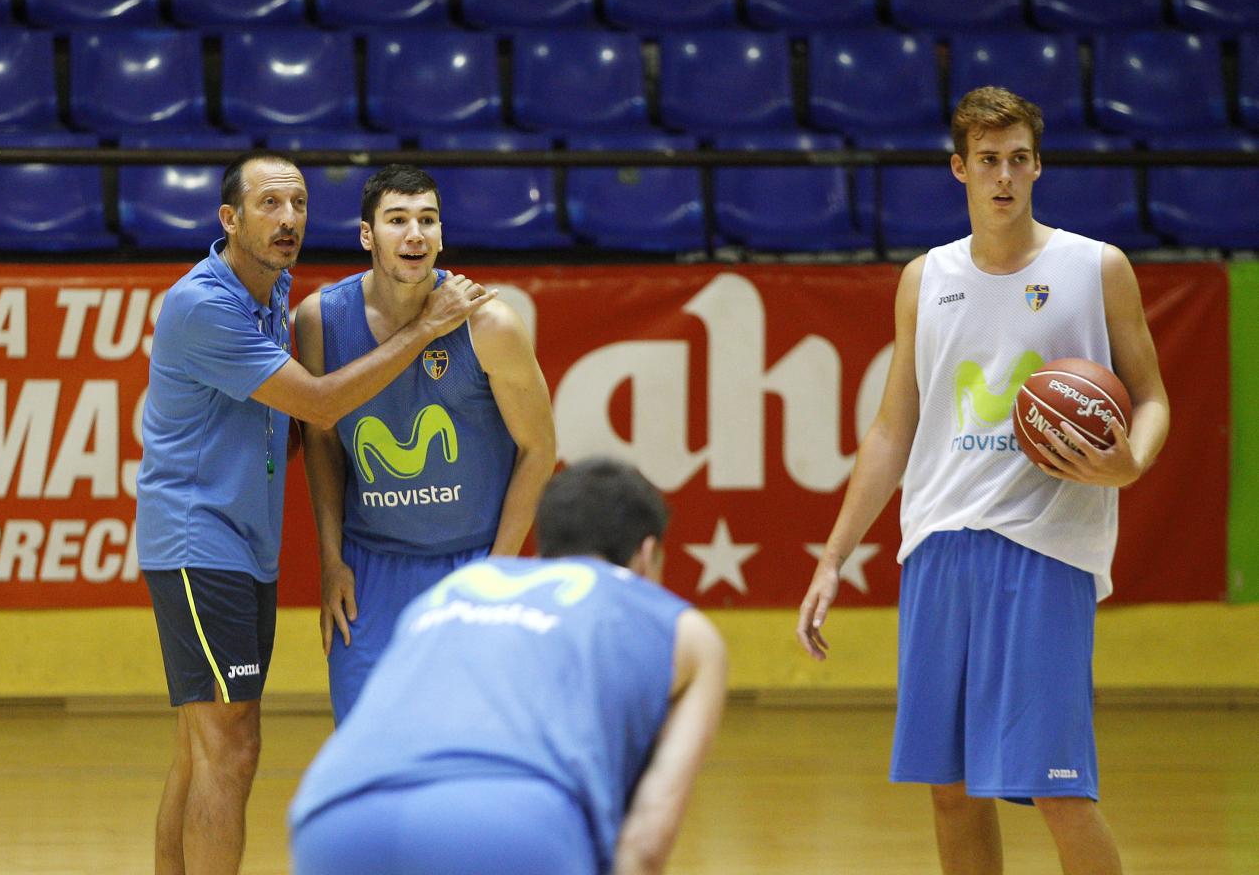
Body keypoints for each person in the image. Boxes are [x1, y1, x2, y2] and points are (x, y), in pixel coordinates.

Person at [796, 87, 1170, 875]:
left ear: (1038, 167)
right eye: (989, 161)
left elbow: (1153, 399)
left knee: (1060, 791)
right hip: (938, 545)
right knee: (952, 789)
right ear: (959, 169)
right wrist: (833, 557)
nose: (1005, 177)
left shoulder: (1097, 268)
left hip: (1045, 549)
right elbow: (893, 429)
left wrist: (1132, 460)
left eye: (1020, 160)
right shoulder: (924, 279)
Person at [135, 150, 496, 875]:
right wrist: (426, 329)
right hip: (200, 545)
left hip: (241, 545)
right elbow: (323, 404)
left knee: (201, 744)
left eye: (298, 204)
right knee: (232, 746)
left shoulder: (270, 292)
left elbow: (289, 433)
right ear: (229, 219)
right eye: (270, 205)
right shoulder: (207, 303)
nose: (289, 219)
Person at [289, 458, 728, 875]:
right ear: (647, 555)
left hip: (333, 811)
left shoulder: (459, 589)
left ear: (546, 545)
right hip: (514, 820)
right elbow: (645, 846)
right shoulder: (676, 623)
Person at [294, 164, 557, 723]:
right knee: (366, 750)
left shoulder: (492, 325)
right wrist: (332, 561)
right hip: (370, 570)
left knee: (465, 752)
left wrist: (497, 571)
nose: (415, 234)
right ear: (367, 235)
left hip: (471, 563)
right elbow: (322, 446)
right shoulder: (319, 320)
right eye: (397, 220)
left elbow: (539, 451)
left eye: (428, 220)